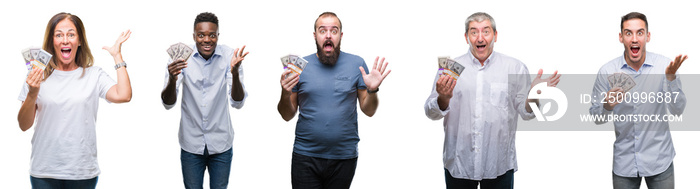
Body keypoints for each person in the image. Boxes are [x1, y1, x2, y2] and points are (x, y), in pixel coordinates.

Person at [423, 12, 560, 189]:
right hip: (458, 163)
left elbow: (526, 113)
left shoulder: (515, 67)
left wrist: (534, 95)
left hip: (498, 164)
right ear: (466, 37)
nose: (480, 37)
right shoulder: (449, 69)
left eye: (486, 31)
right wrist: (443, 98)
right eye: (474, 32)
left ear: (495, 35)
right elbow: (430, 112)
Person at [277, 12, 391, 189]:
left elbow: (369, 110)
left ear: (341, 35)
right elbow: (286, 115)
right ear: (315, 36)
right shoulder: (299, 67)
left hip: (344, 157)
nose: (328, 35)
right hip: (305, 156)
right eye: (322, 31)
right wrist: (285, 93)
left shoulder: (356, 64)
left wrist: (372, 89)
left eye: (334, 31)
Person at [17, 12, 132, 188]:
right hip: (44, 171)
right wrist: (32, 94)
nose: (65, 40)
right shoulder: (36, 76)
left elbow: (124, 95)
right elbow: (24, 125)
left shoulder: (94, 75)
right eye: (59, 35)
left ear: (79, 41)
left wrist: (117, 56)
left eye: (71, 34)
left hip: (82, 172)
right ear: (52, 42)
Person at [589, 12, 687, 189]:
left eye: (640, 32)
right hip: (624, 163)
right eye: (628, 33)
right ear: (621, 37)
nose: (634, 39)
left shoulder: (665, 67)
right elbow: (596, 117)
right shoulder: (607, 71)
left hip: (660, 160)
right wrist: (607, 105)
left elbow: (678, 110)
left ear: (647, 36)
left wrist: (671, 79)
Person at [161, 12, 248, 189]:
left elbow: (237, 102)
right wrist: (171, 78)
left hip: (221, 143)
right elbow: (168, 103)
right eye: (201, 35)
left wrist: (235, 73)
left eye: (212, 35)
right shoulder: (180, 58)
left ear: (218, 36)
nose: (206, 39)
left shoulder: (230, 56)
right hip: (191, 144)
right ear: (194, 36)